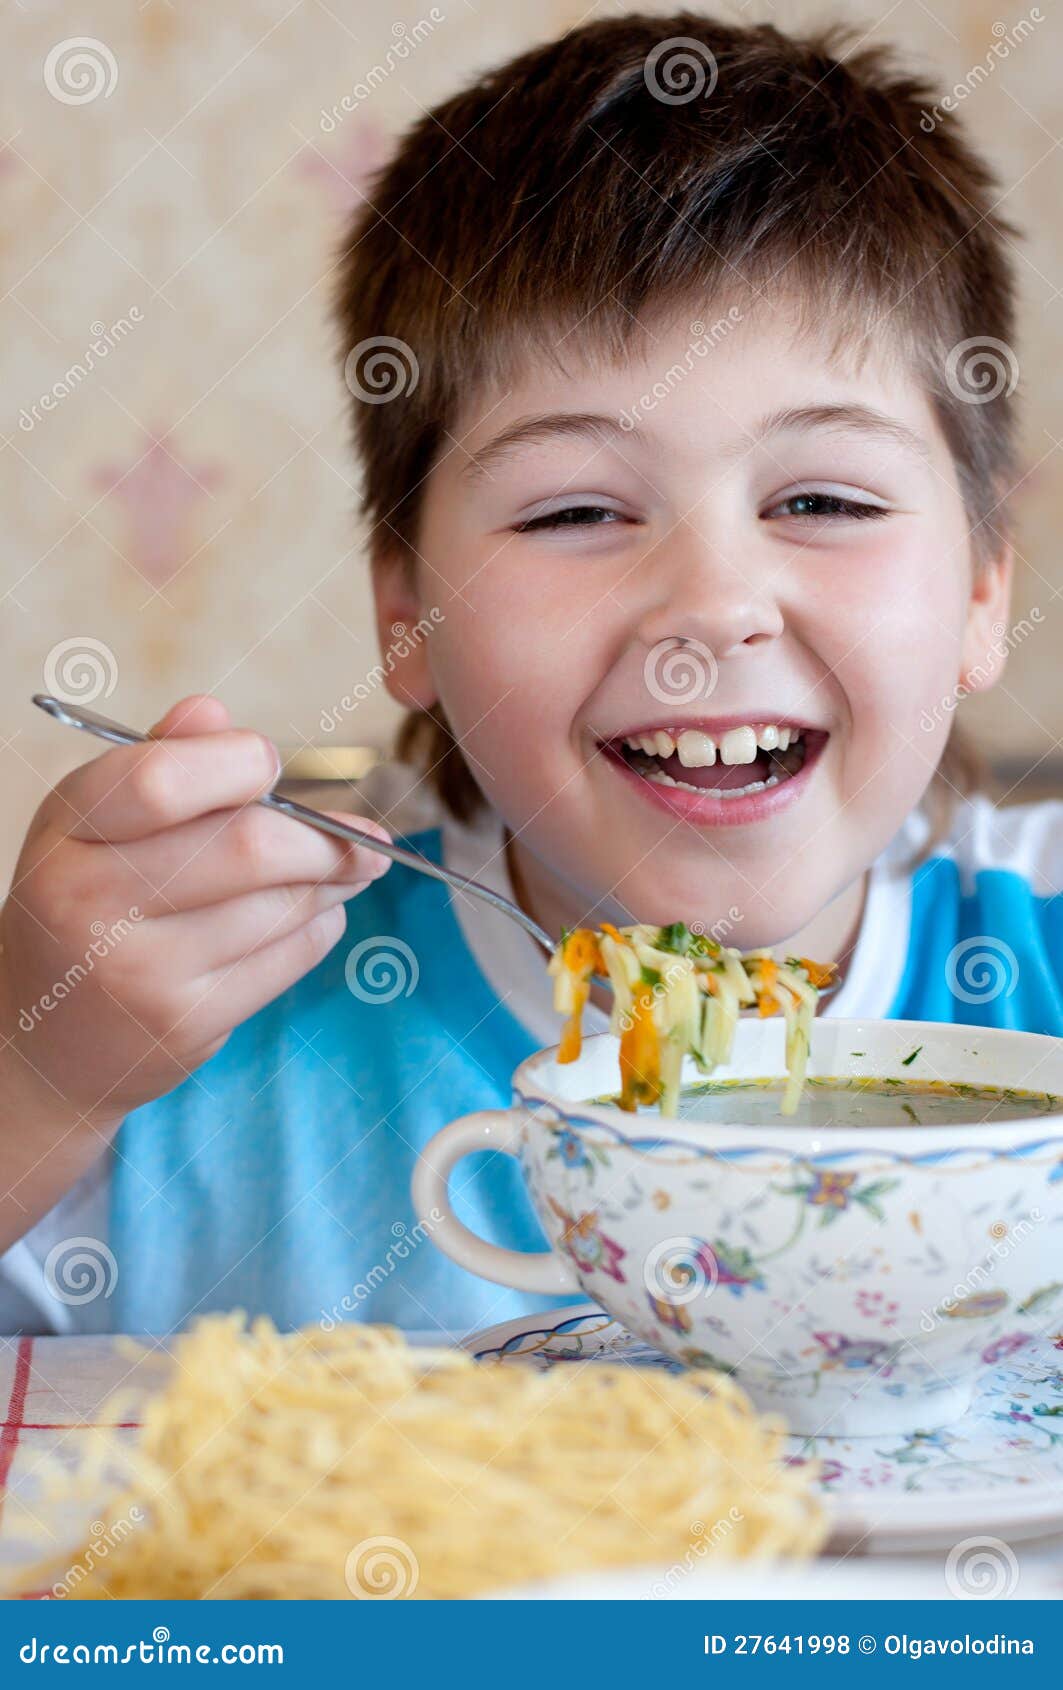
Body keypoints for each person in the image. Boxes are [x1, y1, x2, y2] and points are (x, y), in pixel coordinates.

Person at [1, 14, 1058, 1337]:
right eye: (575, 513)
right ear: (407, 617)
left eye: (825, 498)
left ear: (980, 586)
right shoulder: (195, 1031)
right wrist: (37, 1069)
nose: (713, 607)